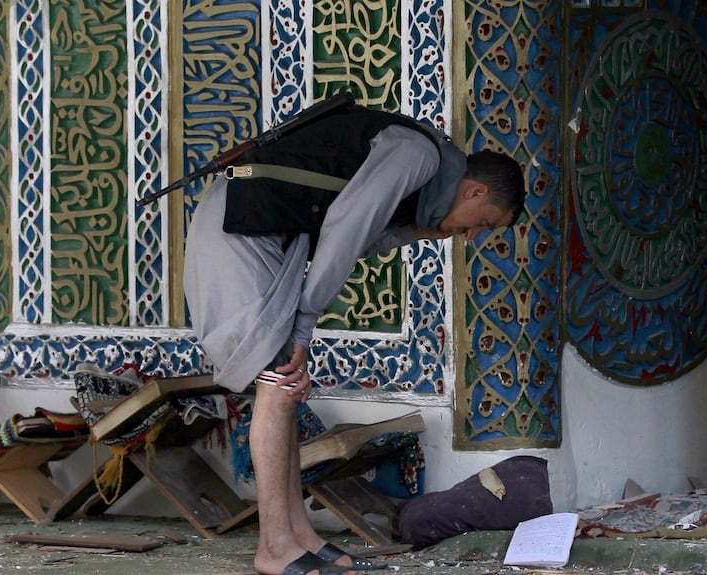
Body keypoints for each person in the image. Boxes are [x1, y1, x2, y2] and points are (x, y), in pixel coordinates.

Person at [182, 97, 525, 575]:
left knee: (285, 387)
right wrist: (302, 327)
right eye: (483, 222)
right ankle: (273, 546)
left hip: (276, 235)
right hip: (244, 226)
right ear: (472, 191)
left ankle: (297, 535)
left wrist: (415, 231)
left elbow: (356, 230)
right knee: (278, 383)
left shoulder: (424, 180)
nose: (472, 236)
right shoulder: (417, 155)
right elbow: (344, 231)